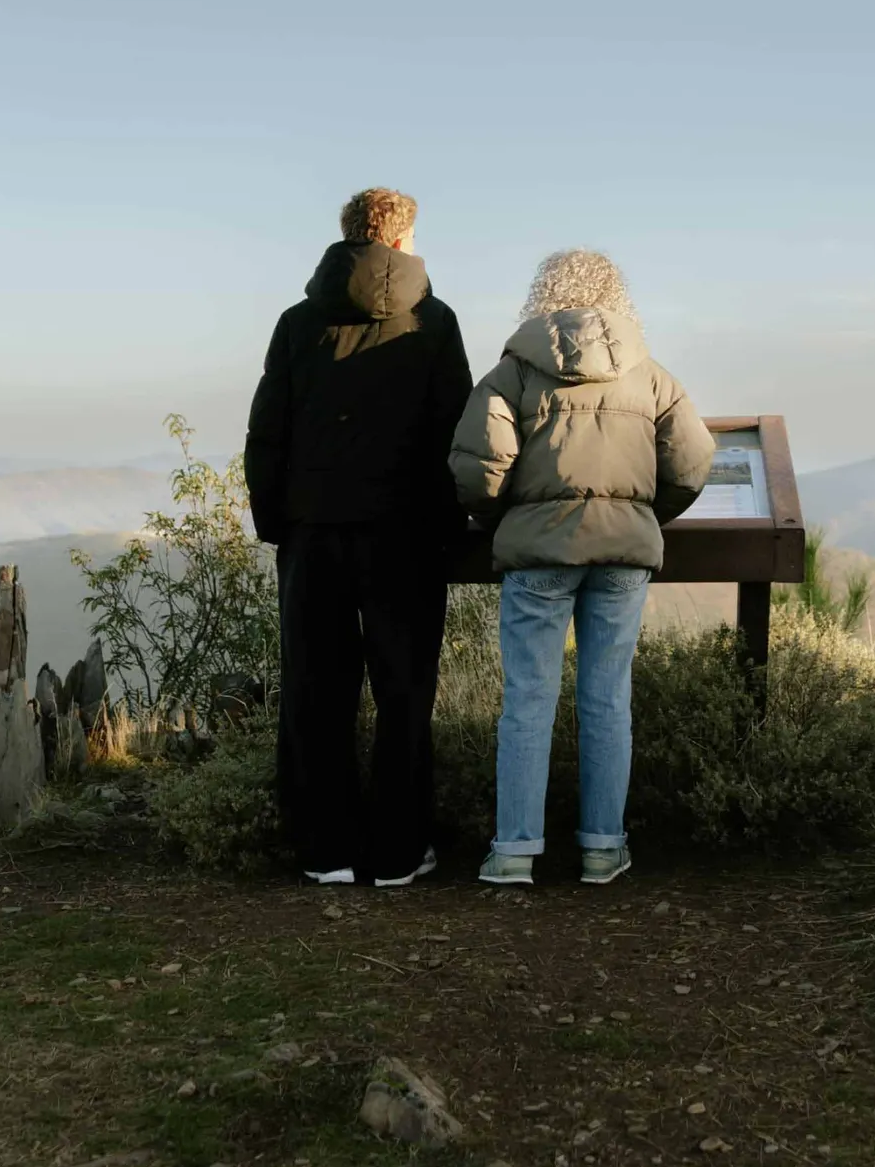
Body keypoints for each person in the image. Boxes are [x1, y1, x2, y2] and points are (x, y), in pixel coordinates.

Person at [450, 249, 712, 886]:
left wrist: (503, 522)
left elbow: (477, 470)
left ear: (544, 296)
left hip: (537, 557)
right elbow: (693, 464)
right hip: (622, 558)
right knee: (606, 697)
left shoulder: (512, 373)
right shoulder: (651, 377)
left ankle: (514, 851)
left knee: (528, 701)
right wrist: (641, 514)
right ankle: (601, 847)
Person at [243, 188, 472, 887]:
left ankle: (326, 849)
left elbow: (267, 434)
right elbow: (454, 434)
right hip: (404, 537)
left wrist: (279, 523)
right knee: (405, 691)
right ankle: (401, 851)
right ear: (404, 241)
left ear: (346, 237)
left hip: (314, 532)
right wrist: (446, 526)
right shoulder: (433, 323)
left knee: (316, 688)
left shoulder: (296, 323)